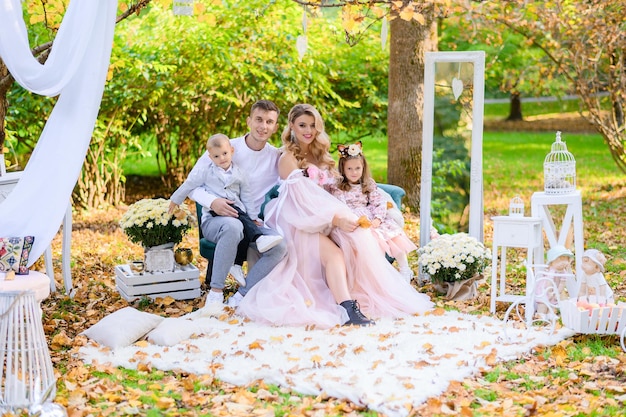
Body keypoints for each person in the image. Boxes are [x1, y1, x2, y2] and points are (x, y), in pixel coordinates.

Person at [236, 103, 434, 328]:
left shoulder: (321, 155)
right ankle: (347, 310)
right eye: (302, 125)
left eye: (313, 125)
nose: (308, 131)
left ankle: (362, 292)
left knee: (357, 238)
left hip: (323, 216)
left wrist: (356, 213)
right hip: (297, 220)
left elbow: (340, 188)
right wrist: (336, 219)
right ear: (291, 125)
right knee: (335, 255)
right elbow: (302, 201)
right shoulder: (287, 158)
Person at [186, 100, 287, 311]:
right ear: (249, 121)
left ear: (276, 127)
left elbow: (290, 183)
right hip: (217, 219)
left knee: (280, 247)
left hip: (252, 224)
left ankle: (242, 295)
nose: (263, 126)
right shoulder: (224, 147)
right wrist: (213, 202)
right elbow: (191, 185)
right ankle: (215, 294)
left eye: (270, 122)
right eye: (259, 119)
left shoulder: (276, 158)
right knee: (233, 227)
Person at [169, 133, 283, 287]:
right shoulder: (206, 172)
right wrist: (175, 200)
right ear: (210, 158)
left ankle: (236, 265)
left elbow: (247, 196)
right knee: (239, 221)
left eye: (224, 154)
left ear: (232, 151)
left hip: (236, 210)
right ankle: (258, 238)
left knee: (243, 222)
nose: (222, 158)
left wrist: (253, 216)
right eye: (216, 156)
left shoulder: (239, 173)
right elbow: (189, 184)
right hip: (216, 211)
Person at [328, 141, 417, 283]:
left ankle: (405, 269)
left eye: (357, 168)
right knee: (372, 240)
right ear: (343, 169)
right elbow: (340, 206)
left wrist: (378, 219)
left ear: (363, 167)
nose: (354, 172)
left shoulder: (368, 184)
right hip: (353, 220)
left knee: (393, 233)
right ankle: (377, 275)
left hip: (371, 217)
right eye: (349, 169)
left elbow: (379, 202)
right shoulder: (339, 187)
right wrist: (352, 220)